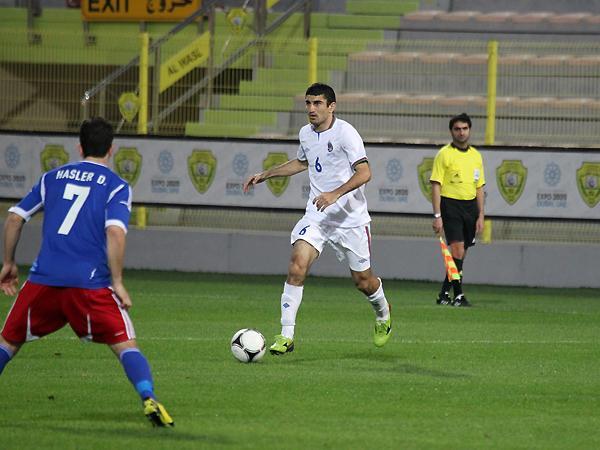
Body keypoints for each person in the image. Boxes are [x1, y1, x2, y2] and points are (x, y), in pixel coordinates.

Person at [0, 117, 174, 427]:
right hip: (90, 284)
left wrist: (9, 263)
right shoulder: (117, 186)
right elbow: (115, 233)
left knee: (7, 344)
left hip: (43, 281)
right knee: (125, 345)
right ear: (111, 149)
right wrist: (117, 281)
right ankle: (148, 397)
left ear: (79, 148)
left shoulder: (51, 178)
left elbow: (14, 218)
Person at [242, 83, 392, 354]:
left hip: (351, 220)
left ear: (331, 106)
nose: (311, 109)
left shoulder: (346, 133)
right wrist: (266, 174)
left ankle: (383, 312)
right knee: (297, 265)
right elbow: (303, 162)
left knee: (364, 282)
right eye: (308, 103)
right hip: (317, 216)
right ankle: (286, 336)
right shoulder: (305, 134)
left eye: (317, 103)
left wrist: (335, 194)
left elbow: (365, 173)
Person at [430, 112, 485, 307]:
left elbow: (479, 187)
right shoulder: (444, 154)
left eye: (464, 128)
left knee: (460, 255)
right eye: (457, 129)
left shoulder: (476, 156)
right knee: (457, 250)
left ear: (469, 130)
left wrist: (481, 214)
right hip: (450, 205)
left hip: (470, 207)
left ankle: (444, 293)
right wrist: (437, 215)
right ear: (451, 131)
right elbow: (436, 185)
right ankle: (459, 295)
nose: (461, 132)